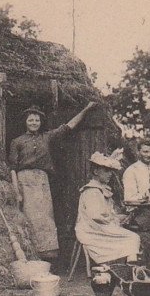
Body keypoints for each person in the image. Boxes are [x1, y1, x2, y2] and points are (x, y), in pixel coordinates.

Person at [9, 101, 97, 262]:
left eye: (36, 120)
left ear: (40, 122)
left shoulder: (47, 137)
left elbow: (69, 126)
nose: (34, 123)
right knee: (28, 218)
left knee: (45, 219)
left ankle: (45, 259)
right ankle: (30, 255)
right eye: (30, 120)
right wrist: (16, 191)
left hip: (42, 181)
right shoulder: (17, 142)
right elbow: (13, 168)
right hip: (24, 181)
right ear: (25, 122)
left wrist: (87, 108)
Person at [75, 152, 140, 264]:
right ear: (96, 172)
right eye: (106, 171)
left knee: (131, 236)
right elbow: (97, 217)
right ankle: (129, 266)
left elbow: (104, 213)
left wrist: (118, 217)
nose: (110, 174)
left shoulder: (100, 189)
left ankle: (127, 266)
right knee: (133, 237)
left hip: (100, 227)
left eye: (111, 171)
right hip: (92, 230)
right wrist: (115, 219)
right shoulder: (92, 191)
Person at [122, 137, 150, 264]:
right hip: (139, 212)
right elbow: (129, 199)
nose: (149, 155)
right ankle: (149, 266)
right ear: (138, 152)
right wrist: (145, 196)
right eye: (145, 152)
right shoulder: (131, 171)